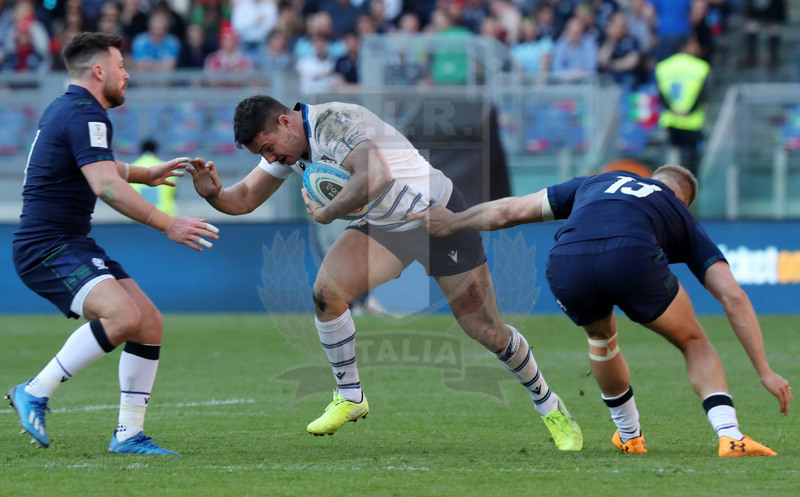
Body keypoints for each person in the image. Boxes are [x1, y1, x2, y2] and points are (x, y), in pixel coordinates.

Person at [186, 95, 583, 450]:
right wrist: (214, 195)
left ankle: (551, 406)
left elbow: (376, 176)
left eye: (269, 149)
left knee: (487, 331)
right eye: (264, 154)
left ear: (285, 122)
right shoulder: (288, 148)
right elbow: (244, 200)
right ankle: (351, 396)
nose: (271, 160)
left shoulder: (334, 123)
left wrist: (327, 213)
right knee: (327, 293)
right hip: (385, 229)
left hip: (435, 219)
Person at [412, 164, 792, 457]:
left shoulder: (595, 182)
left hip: (567, 261)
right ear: (683, 198)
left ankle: (629, 437)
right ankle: (730, 436)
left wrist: (453, 222)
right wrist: (764, 370)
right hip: (631, 258)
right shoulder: (677, 211)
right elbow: (733, 297)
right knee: (693, 341)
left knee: (601, 337)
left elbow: (511, 210)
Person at [6, 32, 219, 455]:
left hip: (68, 241)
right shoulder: (86, 115)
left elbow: (99, 165)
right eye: (121, 67)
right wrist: (167, 223)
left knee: (147, 322)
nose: (127, 75)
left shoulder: (70, 108)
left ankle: (128, 434)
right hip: (47, 246)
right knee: (122, 316)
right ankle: (34, 391)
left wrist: (146, 174)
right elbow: (104, 184)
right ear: (98, 70)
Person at [655, 36, 709, 178]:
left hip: (671, 119)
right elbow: (703, 94)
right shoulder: (701, 67)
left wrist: (672, 109)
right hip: (692, 121)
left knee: (671, 161)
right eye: (695, 44)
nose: (698, 49)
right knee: (691, 163)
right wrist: (689, 111)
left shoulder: (663, 66)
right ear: (686, 46)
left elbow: (660, 93)